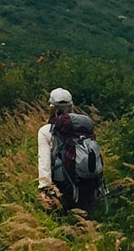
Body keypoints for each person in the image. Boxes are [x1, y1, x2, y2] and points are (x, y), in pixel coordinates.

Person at [38, 87, 105, 216]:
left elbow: (44, 162)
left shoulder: (46, 131)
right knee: (88, 223)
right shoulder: (84, 126)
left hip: (62, 186)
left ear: (51, 107)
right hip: (88, 183)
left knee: (64, 225)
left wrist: (45, 188)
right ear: (71, 106)